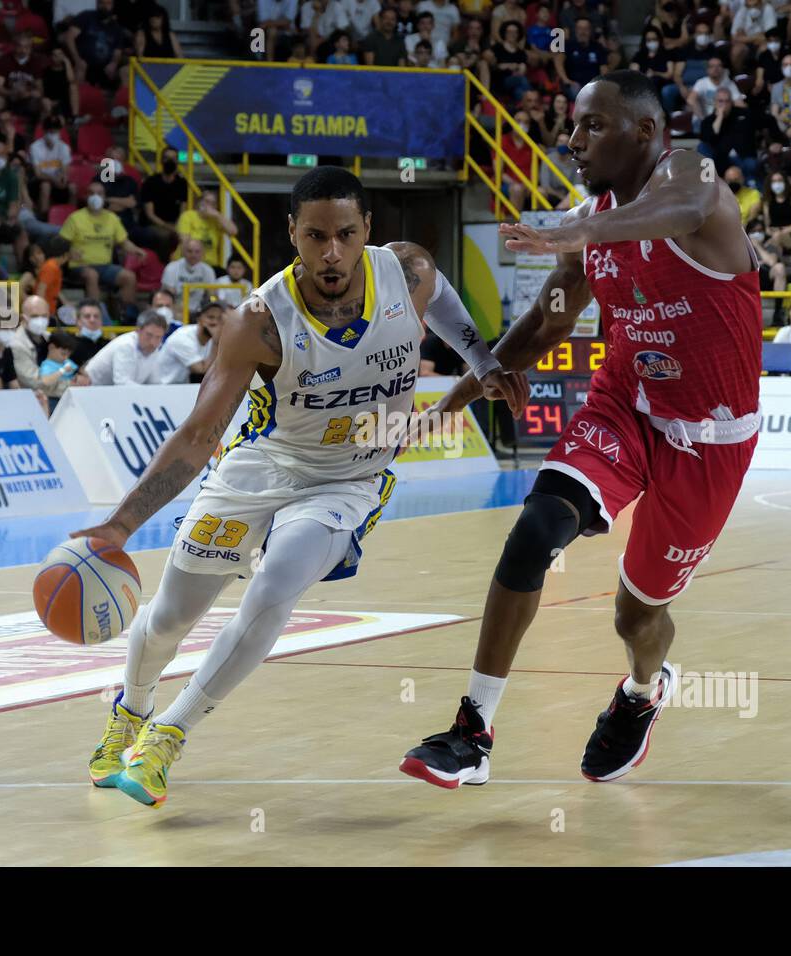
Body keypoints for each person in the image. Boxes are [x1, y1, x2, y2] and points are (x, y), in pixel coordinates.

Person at [72, 165, 522, 807]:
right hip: (261, 469)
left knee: (279, 580)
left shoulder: (408, 272)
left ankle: (169, 735)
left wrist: (482, 360)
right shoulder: (258, 320)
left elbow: (443, 297)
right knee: (172, 616)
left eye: (344, 233)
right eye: (315, 236)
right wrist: (121, 523)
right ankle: (132, 711)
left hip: (348, 478)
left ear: (368, 229)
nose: (331, 251)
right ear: (292, 234)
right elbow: (200, 434)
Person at [396, 72, 764, 789]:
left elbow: (684, 204)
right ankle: (473, 732)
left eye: (593, 126)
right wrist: (456, 398)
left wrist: (578, 227)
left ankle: (642, 692)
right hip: (623, 404)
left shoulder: (692, 177)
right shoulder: (591, 224)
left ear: (647, 133)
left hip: (709, 438)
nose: (572, 141)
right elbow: (545, 323)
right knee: (536, 528)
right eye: (572, 125)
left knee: (637, 615)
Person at [61, 182, 146, 311]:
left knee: (129, 277)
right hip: (80, 266)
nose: (96, 196)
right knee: (92, 275)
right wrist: (68, 252)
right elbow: (60, 243)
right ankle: (94, 315)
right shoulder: (75, 218)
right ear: (86, 196)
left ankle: (125, 315)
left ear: (104, 196)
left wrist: (136, 250)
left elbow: (124, 242)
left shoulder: (112, 218)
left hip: (105, 266)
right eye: (91, 193)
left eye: (99, 193)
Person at [77, 310, 167, 385]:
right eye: (149, 335)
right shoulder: (126, 345)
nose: (153, 342)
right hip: (88, 391)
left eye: (158, 337)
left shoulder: (155, 349)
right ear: (138, 330)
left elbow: (155, 383)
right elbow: (122, 383)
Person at [158, 300, 222, 383]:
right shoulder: (183, 338)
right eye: (210, 317)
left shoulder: (213, 338)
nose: (215, 322)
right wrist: (216, 342)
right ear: (199, 319)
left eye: (219, 318)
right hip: (162, 388)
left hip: (182, 388)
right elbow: (201, 370)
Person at [175, 187, 239, 264]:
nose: (209, 205)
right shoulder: (188, 216)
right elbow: (185, 241)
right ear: (199, 202)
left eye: (213, 203)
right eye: (207, 201)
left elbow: (233, 231)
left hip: (209, 264)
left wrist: (217, 215)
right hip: (188, 261)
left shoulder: (216, 220)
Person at [29, 117, 75, 218]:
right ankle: (44, 217)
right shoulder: (35, 147)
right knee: (46, 186)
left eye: (55, 131)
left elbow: (64, 169)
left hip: (56, 181)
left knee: (72, 188)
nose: (53, 134)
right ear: (44, 131)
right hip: (39, 182)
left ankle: (72, 218)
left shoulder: (64, 147)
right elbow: (38, 174)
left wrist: (63, 178)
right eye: (50, 131)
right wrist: (53, 179)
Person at [161, 236, 218, 313]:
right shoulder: (172, 268)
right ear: (183, 252)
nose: (193, 255)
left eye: (197, 251)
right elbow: (168, 296)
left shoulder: (208, 270)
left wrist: (212, 304)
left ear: (202, 253)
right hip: (176, 309)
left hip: (200, 310)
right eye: (190, 251)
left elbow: (212, 295)